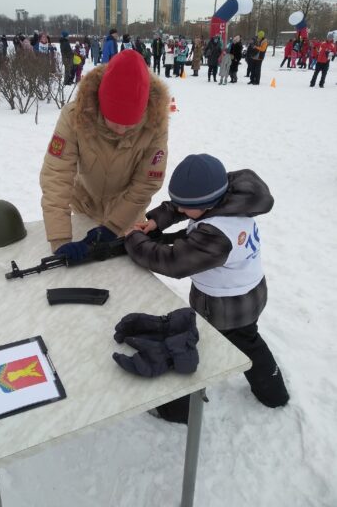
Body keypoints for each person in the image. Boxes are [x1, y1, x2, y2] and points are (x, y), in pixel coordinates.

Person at [124, 153, 290, 423]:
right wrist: (157, 221)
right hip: (250, 291)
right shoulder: (232, 194)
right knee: (248, 340)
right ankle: (273, 392)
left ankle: (180, 410)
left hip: (224, 306)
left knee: (194, 349)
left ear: (207, 203)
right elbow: (185, 209)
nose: (180, 209)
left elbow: (173, 262)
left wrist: (135, 241)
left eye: (186, 206)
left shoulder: (217, 236)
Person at [39, 49, 170, 254]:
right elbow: (57, 174)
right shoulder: (75, 116)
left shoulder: (155, 124)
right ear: (101, 105)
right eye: (114, 121)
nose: (121, 130)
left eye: (129, 124)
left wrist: (113, 226)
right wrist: (60, 238)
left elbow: (146, 182)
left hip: (128, 212)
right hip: (85, 206)